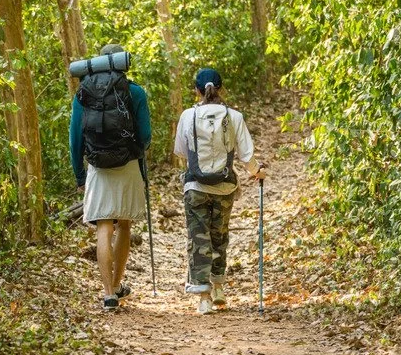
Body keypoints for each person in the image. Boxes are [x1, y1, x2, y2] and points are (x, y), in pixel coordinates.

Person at [174, 68, 266, 314]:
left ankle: (203, 296)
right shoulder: (234, 116)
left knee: (198, 237)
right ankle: (218, 287)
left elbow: (181, 152)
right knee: (219, 235)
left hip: (195, 186)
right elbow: (247, 156)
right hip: (225, 186)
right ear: (221, 89)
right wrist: (258, 172)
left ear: (196, 90)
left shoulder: (187, 116)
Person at [69, 43, 152, 311]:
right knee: (124, 225)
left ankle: (108, 294)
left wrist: (80, 174)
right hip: (127, 165)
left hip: (98, 166)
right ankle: (117, 284)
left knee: (104, 227)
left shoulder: (83, 93)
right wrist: (135, 153)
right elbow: (146, 136)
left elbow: (75, 138)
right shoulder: (135, 91)